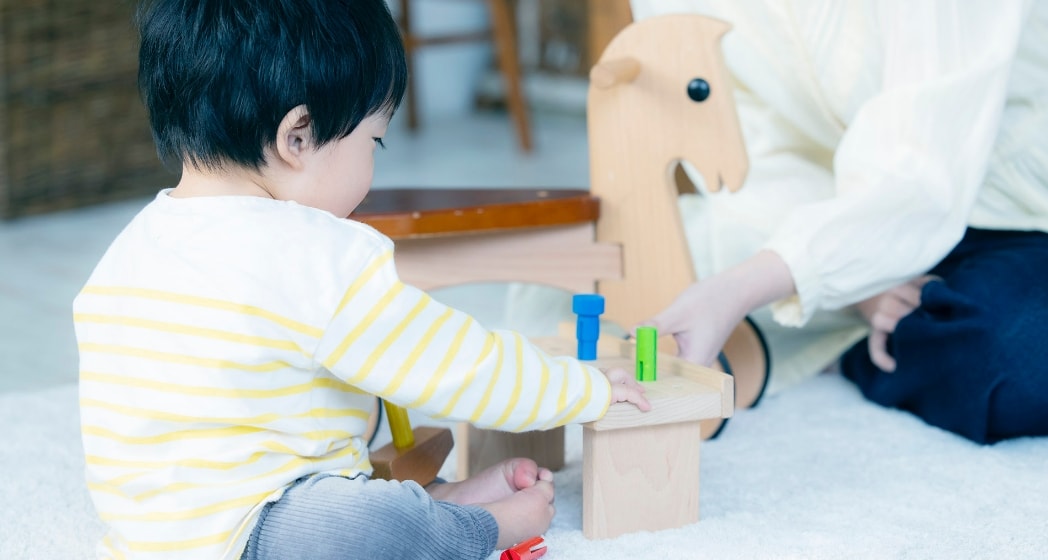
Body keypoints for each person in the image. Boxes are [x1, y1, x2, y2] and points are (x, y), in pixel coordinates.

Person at [72, 1, 650, 559]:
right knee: (362, 524)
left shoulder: (127, 252)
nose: (371, 172)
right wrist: (580, 389)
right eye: (372, 141)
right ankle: (477, 527)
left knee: (358, 502)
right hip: (267, 534)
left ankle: (437, 501)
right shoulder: (315, 253)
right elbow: (456, 363)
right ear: (297, 136)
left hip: (146, 543)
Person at [629, 0, 1048, 444]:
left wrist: (742, 287)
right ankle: (873, 327)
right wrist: (859, 289)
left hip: (1011, 211)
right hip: (817, 220)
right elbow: (748, 161)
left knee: (1028, 350)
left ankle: (862, 342)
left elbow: (924, 165)